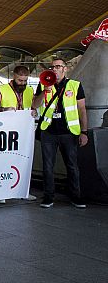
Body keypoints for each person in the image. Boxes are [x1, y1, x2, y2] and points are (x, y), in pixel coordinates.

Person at [32, 58, 89, 209]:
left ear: (65, 69)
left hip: (69, 133)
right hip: (48, 132)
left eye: (58, 67)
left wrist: (84, 132)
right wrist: (44, 91)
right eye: (52, 67)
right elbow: (35, 105)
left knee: (72, 166)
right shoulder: (44, 84)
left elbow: (82, 110)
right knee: (47, 166)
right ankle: (48, 197)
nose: (55, 69)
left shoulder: (75, 85)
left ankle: (75, 196)